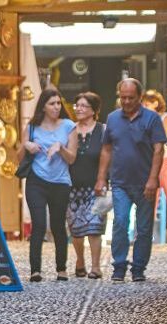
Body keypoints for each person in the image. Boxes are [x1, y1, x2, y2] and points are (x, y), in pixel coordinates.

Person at [95, 79, 167, 282]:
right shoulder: (112, 118)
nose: (126, 101)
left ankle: (138, 268)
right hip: (119, 182)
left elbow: (158, 150)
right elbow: (107, 149)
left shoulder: (152, 119)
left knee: (144, 228)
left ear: (140, 97)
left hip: (145, 182)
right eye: (123, 97)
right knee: (120, 222)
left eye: (130, 98)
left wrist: (153, 179)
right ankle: (118, 266)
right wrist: (101, 178)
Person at [22, 89, 79, 282]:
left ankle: (61, 268)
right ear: (43, 107)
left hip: (60, 181)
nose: (56, 107)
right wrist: (26, 146)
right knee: (38, 224)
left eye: (58, 103)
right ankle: (35, 270)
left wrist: (60, 147)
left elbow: (72, 159)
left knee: (57, 225)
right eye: (52, 103)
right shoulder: (32, 127)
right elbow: (18, 156)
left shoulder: (69, 126)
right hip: (36, 180)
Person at [66, 92, 107, 280]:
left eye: (83, 106)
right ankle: (80, 261)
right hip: (73, 186)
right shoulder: (70, 130)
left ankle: (96, 266)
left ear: (93, 110)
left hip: (95, 186)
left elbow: (108, 156)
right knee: (76, 228)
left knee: (95, 227)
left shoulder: (102, 130)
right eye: (77, 105)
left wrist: (105, 179)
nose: (79, 109)